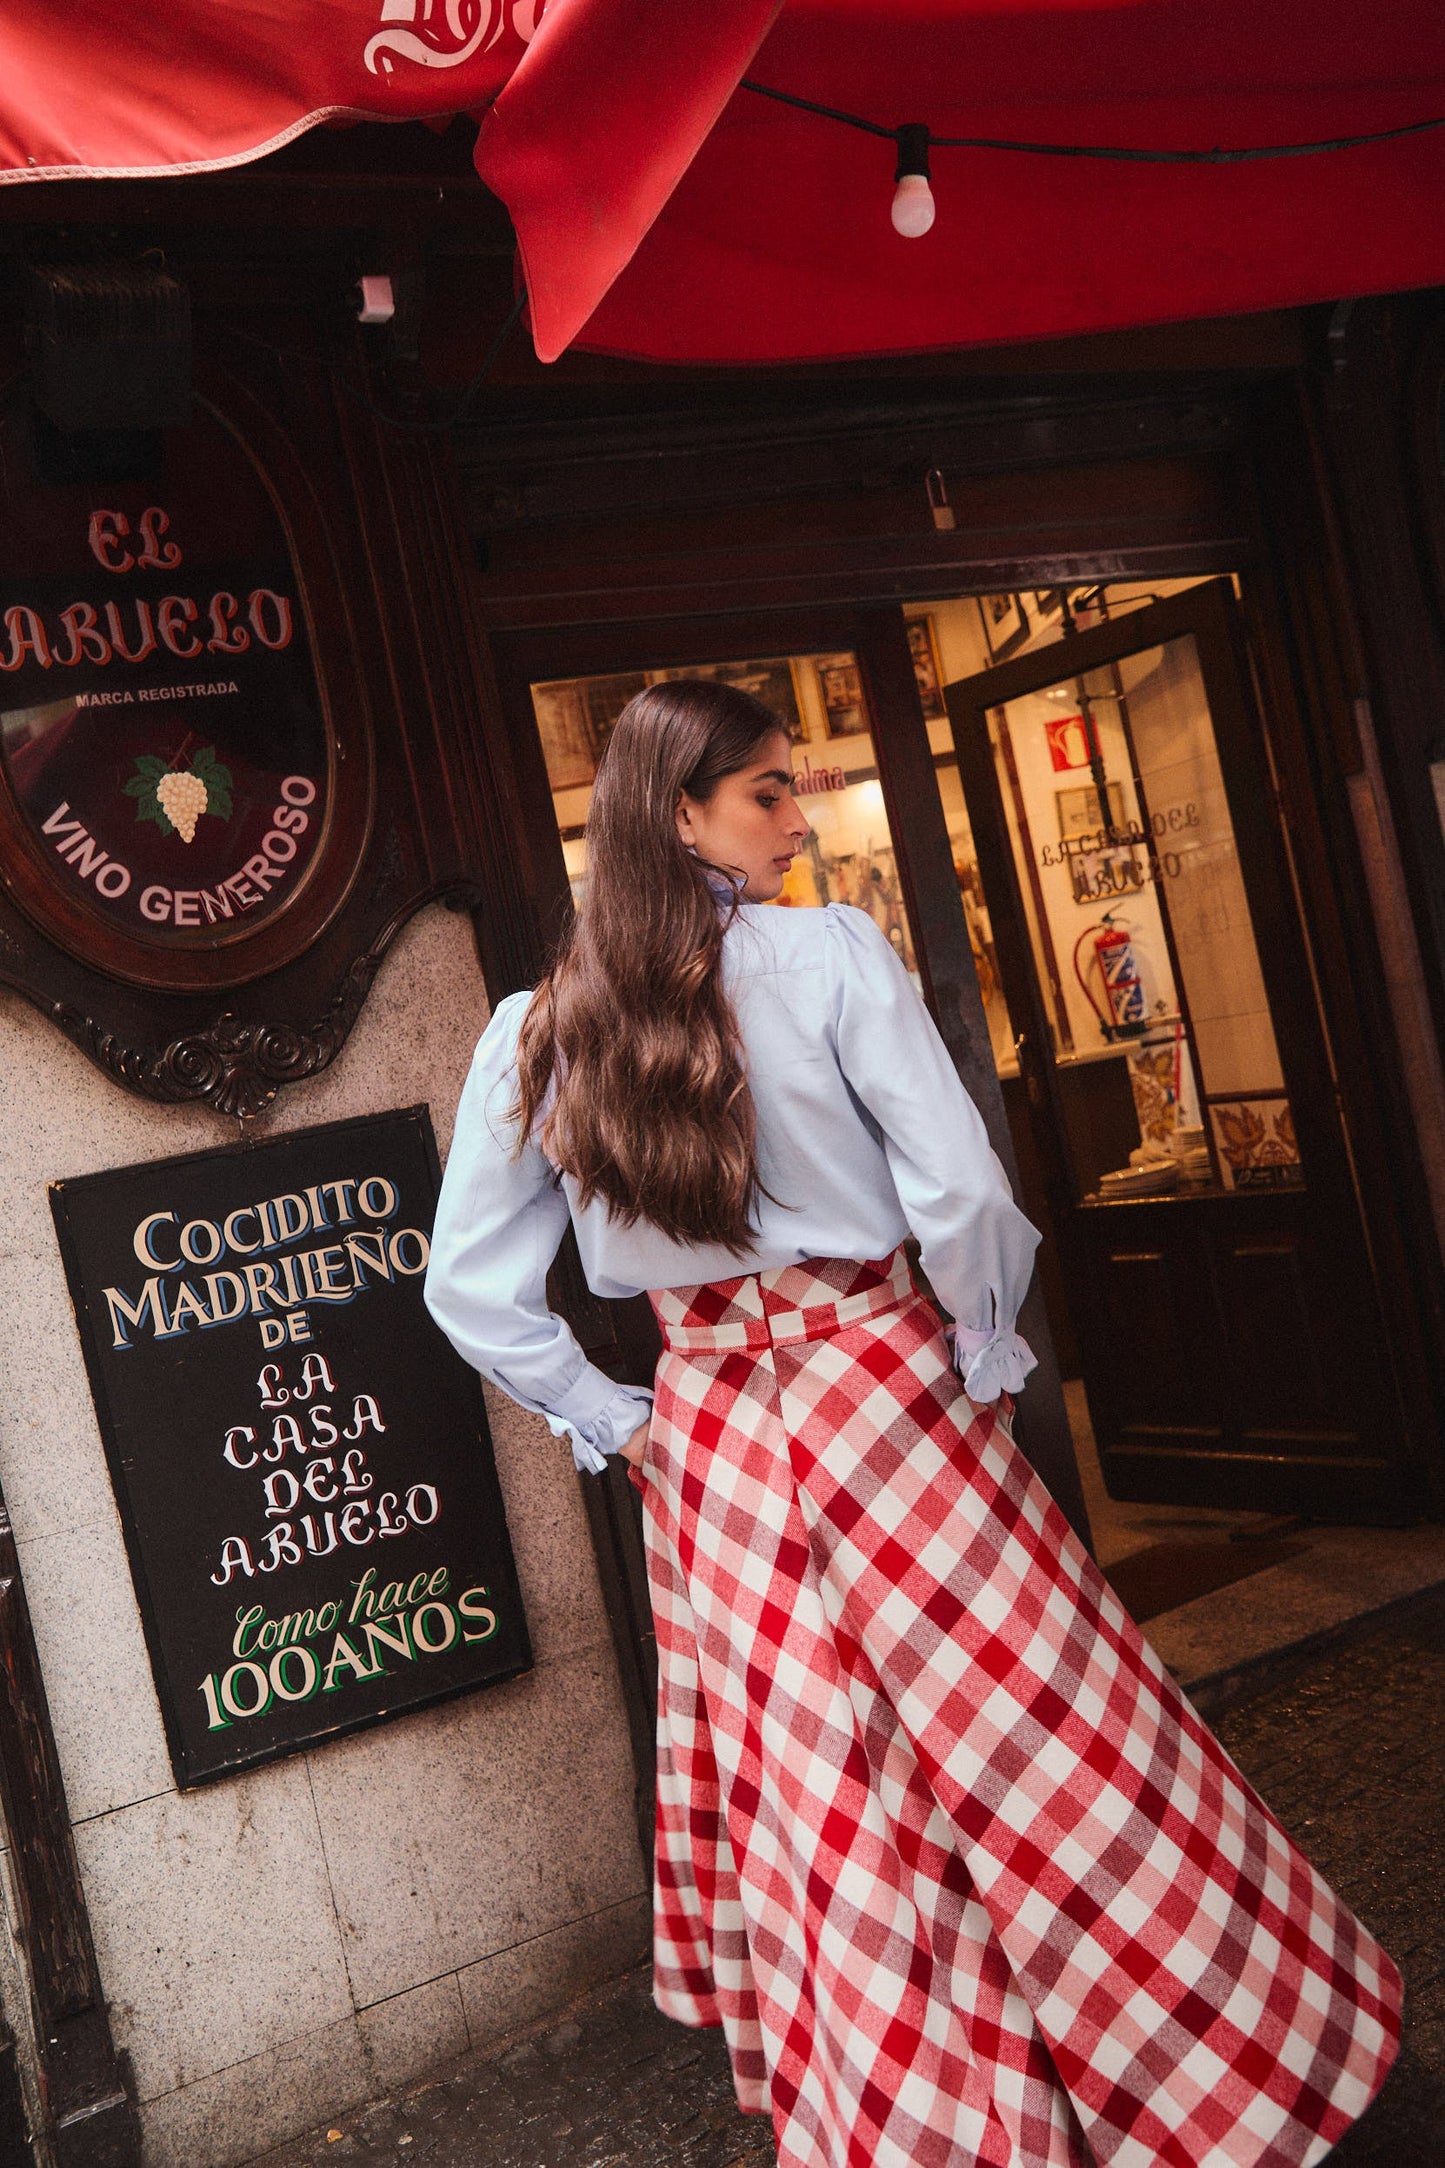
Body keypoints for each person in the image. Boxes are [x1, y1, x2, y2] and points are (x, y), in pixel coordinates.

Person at [425, 679, 1400, 2168]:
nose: (796, 818)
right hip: (885, 1394)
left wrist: (618, 1419)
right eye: (767, 791)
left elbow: (473, 1292)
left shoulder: (537, 1024)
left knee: (823, 1796)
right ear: (678, 808)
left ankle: (914, 2122)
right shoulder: (823, 958)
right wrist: (983, 1340)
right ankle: (1191, 2082)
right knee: (1038, 1746)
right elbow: (963, 1198)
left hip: (717, 1446)